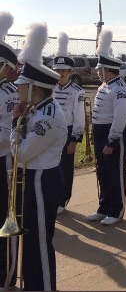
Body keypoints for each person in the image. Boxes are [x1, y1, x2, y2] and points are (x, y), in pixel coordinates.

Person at [12, 23, 67, 291]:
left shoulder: (47, 117)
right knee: (31, 239)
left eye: (23, 86)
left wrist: (14, 126)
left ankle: (44, 287)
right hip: (36, 179)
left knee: (40, 243)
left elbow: (21, 154)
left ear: (34, 88)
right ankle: (32, 284)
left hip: (42, 180)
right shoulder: (37, 110)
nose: (18, 90)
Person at [86, 30, 126, 226]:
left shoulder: (120, 88)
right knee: (102, 171)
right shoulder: (104, 86)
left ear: (108, 69)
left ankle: (117, 209)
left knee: (115, 172)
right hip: (100, 132)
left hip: (115, 134)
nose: (97, 72)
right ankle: (104, 206)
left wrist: (111, 140)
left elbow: (120, 118)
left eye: (100, 69)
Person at [51, 32, 86, 215]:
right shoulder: (51, 89)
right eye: (57, 70)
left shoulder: (77, 91)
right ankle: (53, 196)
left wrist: (75, 139)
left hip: (68, 131)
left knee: (65, 167)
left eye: (63, 71)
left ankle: (63, 199)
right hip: (52, 132)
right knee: (52, 165)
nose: (59, 74)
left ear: (70, 72)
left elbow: (80, 117)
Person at [0, 11, 19, 289]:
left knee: (4, 218)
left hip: (3, 162)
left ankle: (5, 276)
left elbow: (7, 134)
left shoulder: (8, 92)